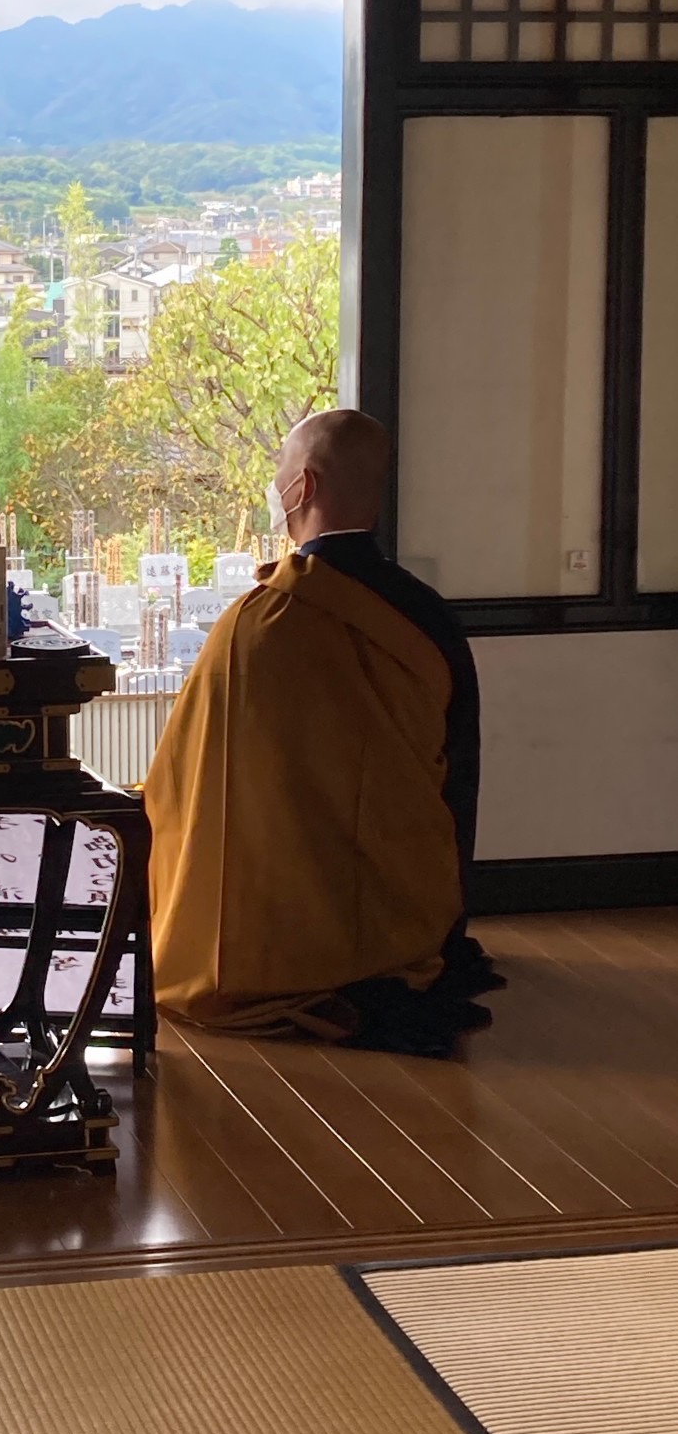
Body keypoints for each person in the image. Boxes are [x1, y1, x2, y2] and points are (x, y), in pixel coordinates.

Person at [146, 408, 502, 1058]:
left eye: (279, 471)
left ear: (303, 486)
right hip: (405, 915)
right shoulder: (427, 616)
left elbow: (186, 777)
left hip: (269, 928)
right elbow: (458, 775)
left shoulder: (258, 622)